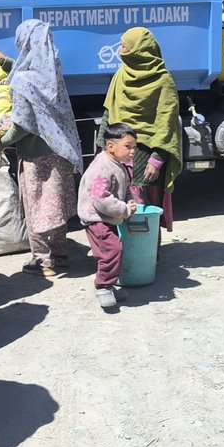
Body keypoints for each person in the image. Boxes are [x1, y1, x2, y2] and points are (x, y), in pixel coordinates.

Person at [0, 20, 84, 278]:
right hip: (61, 151)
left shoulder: (23, 82)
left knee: (36, 208)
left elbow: (22, 124)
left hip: (35, 156)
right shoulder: (52, 72)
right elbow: (30, 72)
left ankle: (42, 260)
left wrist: (1, 143)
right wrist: (6, 61)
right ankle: (60, 254)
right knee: (56, 203)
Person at [101, 27, 182, 238]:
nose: (120, 50)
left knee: (145, 213)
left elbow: (167, 123)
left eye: (125, 46)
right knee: (121, 207)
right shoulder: (120, 76)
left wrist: (156, 160)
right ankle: (126, 255)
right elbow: (108, 113)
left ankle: (147, 257)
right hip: (120, 155)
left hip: (147, 159)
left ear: (139, 51)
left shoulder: (163, 80)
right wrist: (103, 150)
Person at [78, 123, 140, 309]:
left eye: (134, 147)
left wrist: (130, 201)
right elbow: (100, 198)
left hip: (106, 217)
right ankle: (103, 286)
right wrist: (124, 209)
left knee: (111, 251)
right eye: (128, 147)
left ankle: (109, 286)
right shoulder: (101, 168)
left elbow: (124, 188)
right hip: (96, 219)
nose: (132, 152)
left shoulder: (117, 164)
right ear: (111, 146)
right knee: (112, 251)